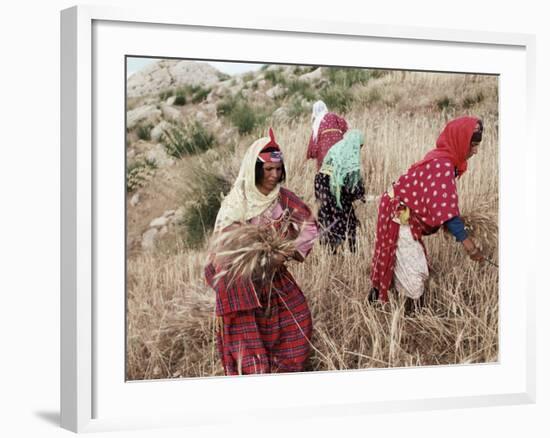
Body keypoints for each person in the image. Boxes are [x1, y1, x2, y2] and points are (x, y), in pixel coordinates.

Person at [204, 128, 319, 375]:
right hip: (243, 286)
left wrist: (287, 251)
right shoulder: (236, 205)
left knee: (298, 321)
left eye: (278, 169)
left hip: (275, 278)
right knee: (250, 349)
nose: (274, 175)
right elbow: (223, 251)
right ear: (255, 169)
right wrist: (255, 260)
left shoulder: (282, 199)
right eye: (268, 169)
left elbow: (309, 225)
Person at [369, 116, 485, 303]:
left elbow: (440, 205)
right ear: (460, 140)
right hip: (399, 214)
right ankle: (410, 317)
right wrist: (469, 246)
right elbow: (447, 213)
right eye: (472, 145)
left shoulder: (445, 160)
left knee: (409, 263)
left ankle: (381, 300)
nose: (476, 151)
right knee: (415, 273)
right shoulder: (443, 164)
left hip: (401, 211)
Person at [314, 129, 366, 253]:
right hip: (332, 184)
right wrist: (361, 195)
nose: (360, 149)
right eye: (360, 146)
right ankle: (350, 249)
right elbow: (352, 185)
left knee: (327, 215)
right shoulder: (352, 154)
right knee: (346, 217)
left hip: (321, 181)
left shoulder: (337, 147)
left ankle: (329, 250)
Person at [306, 100, 349, 170]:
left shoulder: (316, 123)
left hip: (324, 152)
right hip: (339, 147)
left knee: (326, 173)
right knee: (340, 169)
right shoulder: (332, 115)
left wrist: (312, 154)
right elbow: (344, 125)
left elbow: (313, 142)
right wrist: (338, 134)